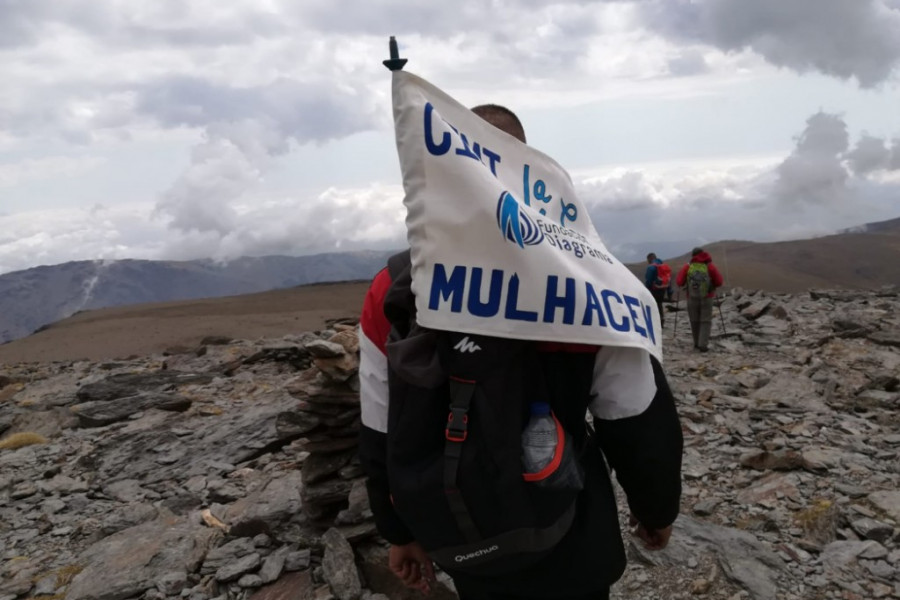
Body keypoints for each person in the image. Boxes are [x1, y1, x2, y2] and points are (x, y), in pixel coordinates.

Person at [359, 104, 683, 600]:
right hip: (571, 527)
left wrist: (399, 531)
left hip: (463, 532)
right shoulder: (585, 283)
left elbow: (380, 423)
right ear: (525, 167)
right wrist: (656, 508)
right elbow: (634, 414)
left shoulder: (393, 290)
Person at [675, 247, 724, 352]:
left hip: (692, 297)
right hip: (707, 297)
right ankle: (703, 344)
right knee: (705, 321)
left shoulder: (688, 266)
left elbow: (679, 282)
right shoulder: (710, 266)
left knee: (694, 320)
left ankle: (696, 343)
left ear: (693, 255)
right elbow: (719, 281)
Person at [644, 253, 671, 327]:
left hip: (653, 290)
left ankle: (654, 322)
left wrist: (645, 290)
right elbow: (668, 279)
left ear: (650, 259)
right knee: (659, 304)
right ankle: (661, 320)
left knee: (652, 305)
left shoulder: (651, 268)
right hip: (662, 290)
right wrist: (669, 292)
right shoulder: (664, 267)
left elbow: (648, 281)